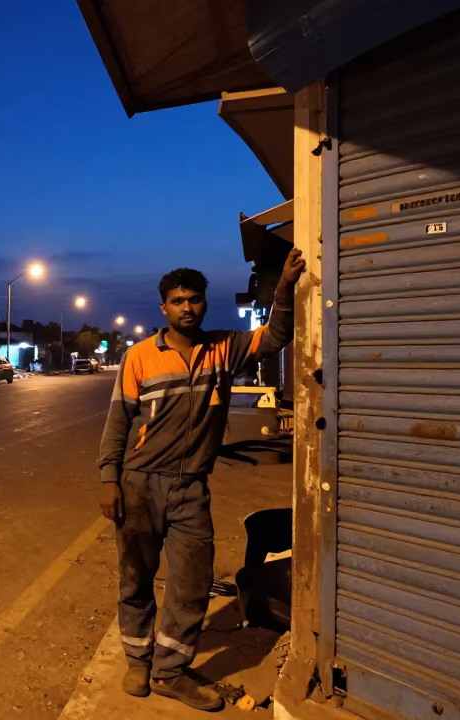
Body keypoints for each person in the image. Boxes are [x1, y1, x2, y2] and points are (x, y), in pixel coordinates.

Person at [96, 248, 305, 711]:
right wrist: (109, 478)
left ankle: (169, 670)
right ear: (163, 307)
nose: (187, 307)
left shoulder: (223, 349)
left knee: (192, 582)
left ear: (204, 303)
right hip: (140, 482)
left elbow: (275, 337)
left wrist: (285, 286)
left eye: (194, 299)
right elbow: (118, 422)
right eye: (177, 300)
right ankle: (138, 660)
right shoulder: (139, 358)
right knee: (136, 578)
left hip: (191, 487)